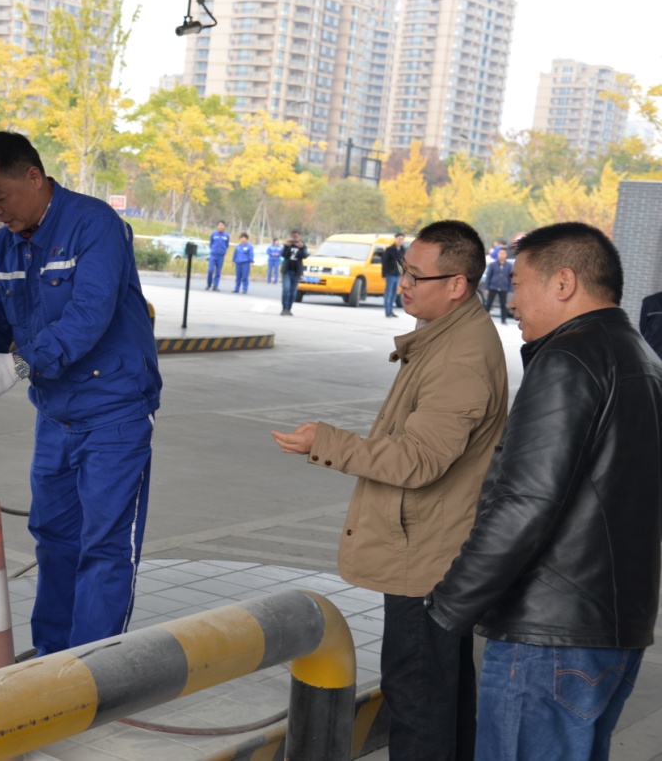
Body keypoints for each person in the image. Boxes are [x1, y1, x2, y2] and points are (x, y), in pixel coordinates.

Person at [271, 220, 508, 761]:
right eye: (406, 270)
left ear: (458, 284)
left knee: (419, 699)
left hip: (426, 558)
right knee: (441, 694)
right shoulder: (446, 336)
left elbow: (419, 459)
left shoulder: (461, 357)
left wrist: (326, 442)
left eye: (419, 276)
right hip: (429, 546)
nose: (405, 284)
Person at [426, 223, 662, 761]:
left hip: (549, 636)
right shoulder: (645, 362)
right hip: (615, 631)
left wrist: (446, 607)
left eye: (518, 284)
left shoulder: (568, 359)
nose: (511, 300)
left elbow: (526, 504)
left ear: (563, 282)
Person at [0, 132, 162, 656]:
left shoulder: (94, 225)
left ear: (34, 177)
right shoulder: (4, 246)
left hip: (114, 413)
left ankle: (94, 669)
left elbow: (89, 314)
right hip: (55, 415)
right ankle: (52, 660)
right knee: (54, 538)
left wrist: (22, 363)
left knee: (103, 546)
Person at [279, 231, 309, 316]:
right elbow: (283, 255)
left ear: (299, 237)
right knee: (286, 289)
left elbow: (305, 256)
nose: (295, 239)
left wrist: (301, 247)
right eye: (293, 237)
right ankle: (284, 308)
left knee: (293, 291)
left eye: (296, 237)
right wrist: (286, 246)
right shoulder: (288, 244)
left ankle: (289, 309)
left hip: (296, 271)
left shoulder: (302, 245)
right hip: (287, 270)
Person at [483, 247, 513, 324]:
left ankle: (503, 320)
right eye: (500, 253)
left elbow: (510, 278)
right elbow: (488, 276)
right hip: (493, 287)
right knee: (488, 303)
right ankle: (484, 319)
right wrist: (486, 287)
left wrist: (510, 289)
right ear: (498, 254)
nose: (501, 255)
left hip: (503, 288)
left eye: (503, 253)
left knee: (503, 305)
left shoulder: (509, 266)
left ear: (506, 255)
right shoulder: (493, 265)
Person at [382, 233, 406, 318]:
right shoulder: (389, 249)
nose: (401, 241)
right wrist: (384, 275)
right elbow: (384, 262)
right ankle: (387, 311)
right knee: (388, 293)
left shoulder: (403, 250)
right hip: (390, 274)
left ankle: (391, 310)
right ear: (395, 239)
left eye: (402, 239)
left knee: (394, 293)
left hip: (398, 274)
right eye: (399, 239)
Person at [206, 221, 230, 291]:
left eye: (222, 225)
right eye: (219, 225)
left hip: (221, 256)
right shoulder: (213, 234)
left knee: (218, 271)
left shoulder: (226, 235)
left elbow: (227, 244)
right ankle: (209, 284)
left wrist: (223, 251)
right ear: (217, 226)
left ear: (224, 226)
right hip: (213, 255)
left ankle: (215, 285)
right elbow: (211, 243)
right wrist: (213, 250)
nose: (220, 226)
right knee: (210, 270)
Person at [641, 290, 662, 359]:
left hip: (652, 355)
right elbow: (643, 329)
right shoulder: (649, 301)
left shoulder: (649, 301)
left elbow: (643, 329)